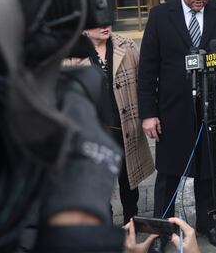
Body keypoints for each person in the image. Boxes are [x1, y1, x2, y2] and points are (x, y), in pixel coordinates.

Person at [138, 0, 216, 250]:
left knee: (209, 170)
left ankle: (210, 223)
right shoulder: (160, 16)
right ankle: (162, 231)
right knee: (169, 173)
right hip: (173, 110)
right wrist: (148, 114)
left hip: (212, 107)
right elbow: (148, 69)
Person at [66, 26, 155, 224]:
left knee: (129, 181)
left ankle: (131, 222)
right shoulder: (70, 54)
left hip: (125, 128)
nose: (105, 26)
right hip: (93, 134)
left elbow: (145, 82)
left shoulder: (127, 45)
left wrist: (150, 113)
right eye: (98, 23)